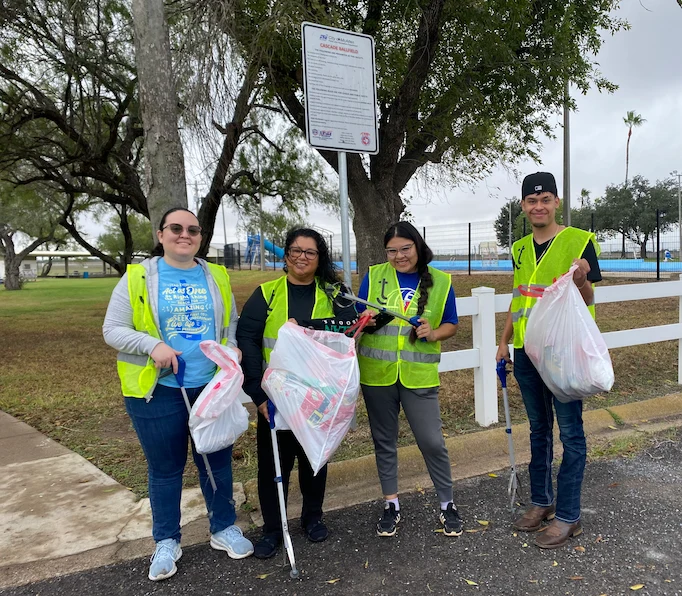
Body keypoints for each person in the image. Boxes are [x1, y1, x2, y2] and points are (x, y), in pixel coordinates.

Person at [103, 207, 253, 581]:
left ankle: (223, 527)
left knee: (215, 461)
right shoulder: (139, 276)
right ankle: (166, 540)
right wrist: (152, 345)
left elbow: (230, 322)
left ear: (201, 237)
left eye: (192, 230)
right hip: (158, 392)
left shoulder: (215, 274)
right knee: (166, 471)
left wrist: (231, 348)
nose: (184, 234)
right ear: (161, 234)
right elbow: (113, 329)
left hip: (210, 387)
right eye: (176, 228)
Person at [236, 228, 359, 559]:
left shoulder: (335, 294)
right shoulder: (267, 294)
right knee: (273, 467)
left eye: (310, 252)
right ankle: (273, 529)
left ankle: (312, 517)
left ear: (320, 258)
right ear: (286, 255)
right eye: (295, 251)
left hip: (319, 399)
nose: (302, 257)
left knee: (313, 460)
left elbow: (350, 333)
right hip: (277, 399)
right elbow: (247, 340)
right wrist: (258, 393)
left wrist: (369, 320)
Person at [495, 172, 602, 549]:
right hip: (526, 352)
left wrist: (582, 280)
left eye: (546, 200)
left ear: (557, 202)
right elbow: (518, 296)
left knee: (571, 434)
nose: (538, 207)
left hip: (562, 354)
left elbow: (587, 300)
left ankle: (569, 516)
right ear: (523, 206)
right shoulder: (520, 247)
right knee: (538, 430)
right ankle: (542, 501)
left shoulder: (579, 242)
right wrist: (504, 341)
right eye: (531, 201)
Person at [356, 221, 463, 537]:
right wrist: (366, 321)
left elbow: (452, 324)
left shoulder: (441, 281)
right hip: (378, 376)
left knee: (432, 441)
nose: (399, 256)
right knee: (384, 441)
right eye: (392, 250)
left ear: (417, 246)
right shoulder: (374, 276)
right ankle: (391, 504)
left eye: (405, 248)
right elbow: (357, 321)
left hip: (418, 376)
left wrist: (433, 333)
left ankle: (447, 504)